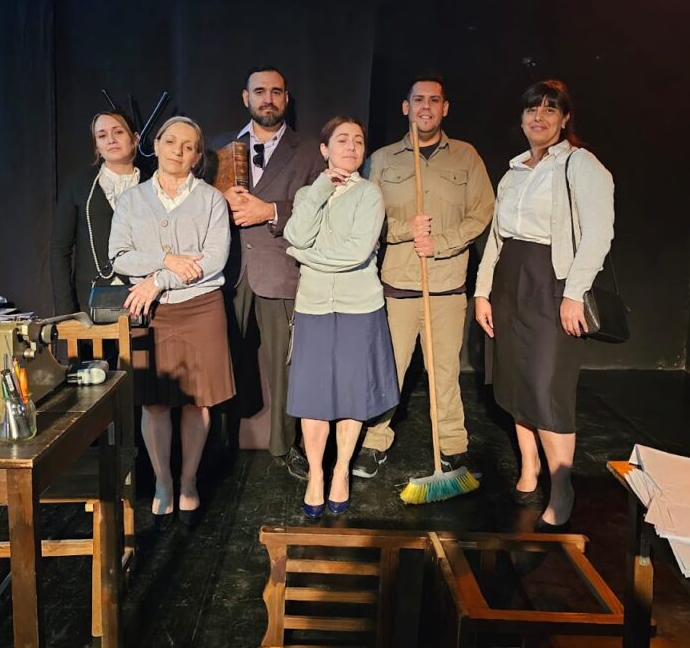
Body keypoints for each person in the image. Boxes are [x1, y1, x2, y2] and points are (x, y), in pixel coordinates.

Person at [473, 79, 614, 532]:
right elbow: (497, 239)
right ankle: (530, 468)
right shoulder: (513, 172)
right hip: (509, 282)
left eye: (551, 110)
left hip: (552, 283)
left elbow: (598, 234)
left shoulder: (580, 165)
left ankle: (562, 485)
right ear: (521, 119)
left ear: (565, 118)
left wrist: (574, 293)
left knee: (547, 388)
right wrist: (481, 291)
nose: (540, 117)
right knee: (515, 382)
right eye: (532, 109)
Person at [353, 74, 495, 480]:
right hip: (397, 288)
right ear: (406, 107)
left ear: (445, 108)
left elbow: (483, 212)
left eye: (434, 100)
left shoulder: (466, 156)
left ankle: (452, 447)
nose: (426, 107)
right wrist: (405, 231)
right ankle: (374, 442)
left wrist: (441, 243)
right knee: (387, 371)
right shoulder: (382, 160)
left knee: (445, 374)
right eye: (418, 100)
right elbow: (366, 219)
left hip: (446, 288)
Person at [109, 116, 235, 526]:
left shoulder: (212, 201)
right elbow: (119, 257)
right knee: (156, 402)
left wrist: (158, 279)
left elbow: (213, 260)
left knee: (198, 401)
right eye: (170, 142)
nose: (178, 151)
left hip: (200, 307)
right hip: (150, 311)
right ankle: (163, 481)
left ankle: (188, 481)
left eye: (188, 146)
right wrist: (166, 260)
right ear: (156, 144)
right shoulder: (132, 200)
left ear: (197, 157)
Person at [208, 66, 325, 480]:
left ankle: (285, 446)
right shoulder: (218, 147)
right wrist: (218, 199)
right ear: (246, 98)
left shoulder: (309, 150)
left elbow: (321, 207)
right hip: (227, 271)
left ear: (286, 99)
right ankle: (215, 444)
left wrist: (271, 211)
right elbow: (195, 202)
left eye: (276, 92)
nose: (268, 99)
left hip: (280, 270)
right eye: (259, 91)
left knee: (284, 367)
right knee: (219, 363)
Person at [284, 116, 398, 518]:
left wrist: (303, 256)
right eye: (342, 140)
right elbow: (296, 234)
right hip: (313, 305)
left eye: (358, 141)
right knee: (314, 397)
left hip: (358, 307)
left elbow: (355, 253)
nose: (351, 147)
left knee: (351, 394)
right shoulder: (307, 193)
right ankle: (316, 473)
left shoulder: (369, 194)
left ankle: (341, 470)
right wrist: (319, 190)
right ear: (325, 149)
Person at [50, 111, 141, 316]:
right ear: (97, 146)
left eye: (118, 132)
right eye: (102, 135)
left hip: (145, 299)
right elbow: (60, 250)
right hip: (91, 303)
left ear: (135, 139)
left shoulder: (153, 184)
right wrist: (66, 313)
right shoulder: (78, 185)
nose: (111, 140)